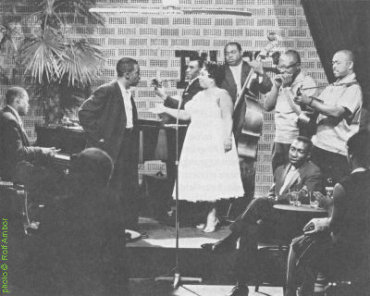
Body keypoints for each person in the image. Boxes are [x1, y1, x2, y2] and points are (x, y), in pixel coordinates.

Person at [202, 136, 323, 296]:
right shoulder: (281, 168)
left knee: (259, 202)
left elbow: (304, 196)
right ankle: (241, 286)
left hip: (295, 225)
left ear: (308, 155)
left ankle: (230, 240)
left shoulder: (313, 171)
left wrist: (276, 199)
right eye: (293, 149)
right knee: (249, 229)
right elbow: (273, 193)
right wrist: (273, 199)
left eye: (300, 151)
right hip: (275, 223)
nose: (294, 153)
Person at [17, 148, 128, 296]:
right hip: (100, 285)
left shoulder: (59, 207)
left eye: (72, 171)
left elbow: (41, 258)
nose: (68, 174)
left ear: (81, 176)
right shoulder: (112, 205)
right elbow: (118, 259)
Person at [152, 62, 244, 232]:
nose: (199, 77)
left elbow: (227, 117)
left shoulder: (222, 94)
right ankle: (207, 214)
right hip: (198, 139)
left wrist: (227, 139)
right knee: (203, 179)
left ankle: (213, 216)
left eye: (203, 74)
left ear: (212, 78)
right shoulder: (199, 96)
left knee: (214, 179)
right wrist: (164, 108)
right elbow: (186, 115)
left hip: (215, 138)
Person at [285, 130, 370, 296]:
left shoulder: (343, 186)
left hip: (347, 249)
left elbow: (335, 227)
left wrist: (328, 204)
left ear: (350, 155)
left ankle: (294, 293)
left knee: (298, 243)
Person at [79, 57, 141, 230]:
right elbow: (84, 113)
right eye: (137, 73)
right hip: (112, 146)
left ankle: (127, 225)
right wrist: (100, 138)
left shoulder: (128, 92)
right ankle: (111, 226)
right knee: (114, 185)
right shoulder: (107, 90)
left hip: (127, 144)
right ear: (127, 74)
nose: (140, 77)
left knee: (128, 184)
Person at [294, 49, 362, 185]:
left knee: (331, 194)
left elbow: (337, 112)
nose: (334, 66)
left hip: (336, 153)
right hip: (319, 147)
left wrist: (310, 101)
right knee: (314, 189)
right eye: (332, 63)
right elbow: (316, 109)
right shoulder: (332, 86)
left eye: (338, 62)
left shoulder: (353, 89)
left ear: (350, 65)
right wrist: (302, 101)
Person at [221, 42, 273, 198]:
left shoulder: (251, 68)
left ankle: (243, 209)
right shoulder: (220, 72)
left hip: (248, 121)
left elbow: (267, 87)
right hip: (227, 123)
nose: (230, 56)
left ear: (241, 52)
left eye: (233, 52)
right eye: (227, 53)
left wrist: (261, 73)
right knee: (224, 165)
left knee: (246, 165)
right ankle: (223, 208)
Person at [0, 87, 63, 202]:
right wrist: (41, 151)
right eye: (26, 101)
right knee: (56, 176)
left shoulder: (5, 114)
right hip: (11, 170)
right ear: (17, 100)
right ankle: (42, 213)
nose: (28, 105)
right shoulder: (10, 120)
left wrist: (38, 149)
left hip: (8, 167)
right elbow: (18, 152)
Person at [263, 50, 317, 173]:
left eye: (287, 67)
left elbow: (305, 115)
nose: (282, 71)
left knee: (294, 179)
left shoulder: (307, 82)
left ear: (297, 66)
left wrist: (287, 89)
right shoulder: (280, 80)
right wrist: (276, 86)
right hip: (279, 138)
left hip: (297, 140)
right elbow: (267, 106)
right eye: (280, 67)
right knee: (278, 176)